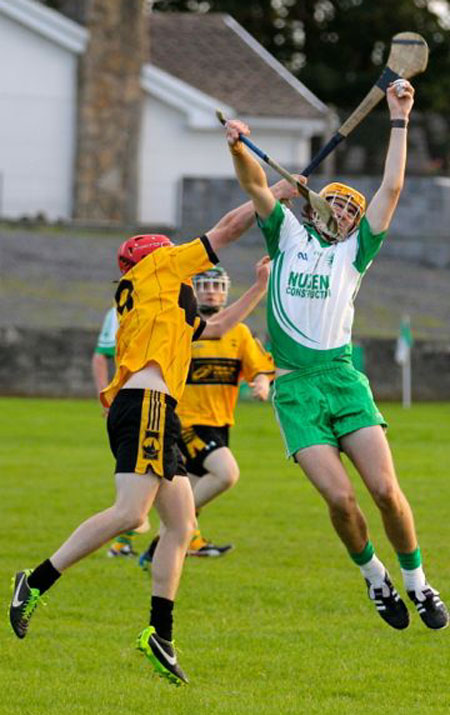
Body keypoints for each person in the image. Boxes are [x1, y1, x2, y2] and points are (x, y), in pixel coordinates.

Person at [9, 185, 298, 686]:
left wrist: (256, 286)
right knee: (131, 514)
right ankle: (32, 583)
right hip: (144, 404)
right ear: (156, 261)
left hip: (156, 410)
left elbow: (221, 325)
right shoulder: (156, 270)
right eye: (172, 253)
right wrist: (274, 192)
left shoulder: (160, 305)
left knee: (181, 526)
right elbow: (228, 229)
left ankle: (158, 634)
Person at [223, 78, 448, 631]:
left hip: (343, 380)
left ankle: (417, 583)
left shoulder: (355, 253)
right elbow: (256, 187)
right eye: (340, 205)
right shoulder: (287, 235)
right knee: (343, 501)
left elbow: (392, 190)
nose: (346, 214)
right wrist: (236, 146)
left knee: (387, 493)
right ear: (316, 207)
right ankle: (375, 576)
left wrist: (400, 117)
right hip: (295, 389)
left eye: (353, 210)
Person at [139, 264, 275, 565]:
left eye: (217, 287)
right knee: (226, 474)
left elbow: (261, 367)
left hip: (220, 424)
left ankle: (157, 550)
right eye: (205, 286)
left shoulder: (238, 332)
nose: (211, 292)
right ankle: (166, 533)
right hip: (186, 424)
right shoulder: (184, 329)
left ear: (225, 292)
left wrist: (262, 383)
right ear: (194, 290)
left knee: (190, 492)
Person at [92, 307, 151, 558]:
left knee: (163, 484)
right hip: (137, 406)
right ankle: (40, 577)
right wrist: (105, 395)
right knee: (137, 498)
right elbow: (100, 355)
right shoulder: (120, 308)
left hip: (165, 404)